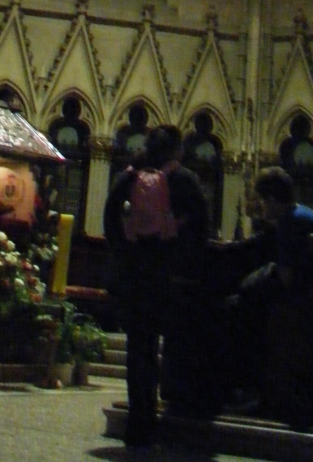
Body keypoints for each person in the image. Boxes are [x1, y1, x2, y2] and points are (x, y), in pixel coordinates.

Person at [104, 125, 208, 448]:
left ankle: (139, 424)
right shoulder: (185, 180)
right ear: (177, 150)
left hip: (136, 278)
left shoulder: (128, 177)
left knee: (139, 350)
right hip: (171, 280)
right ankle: (173, 412)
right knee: (175, 347)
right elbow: (202, 227)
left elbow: (110, 220)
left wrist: (127, 254)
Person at [226, 167, 313, 414]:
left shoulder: (290, 223)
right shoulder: (305, 214)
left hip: (303, 303)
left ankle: (251, 390)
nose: (260, 208)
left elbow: (286, 277)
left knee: (236, 308)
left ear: (271, 200)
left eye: (261, 201)